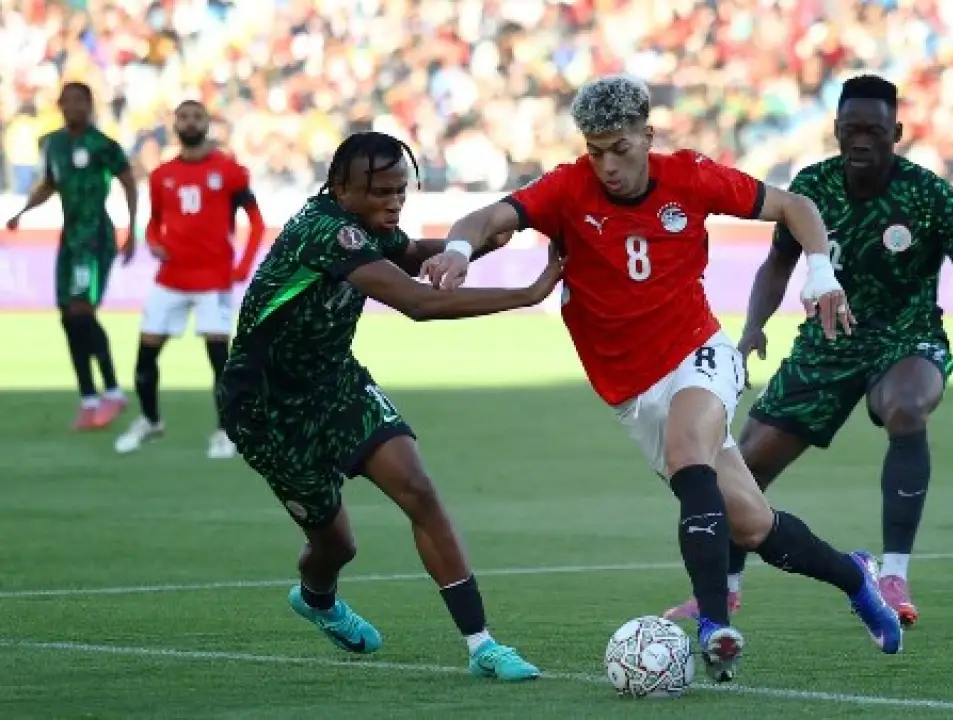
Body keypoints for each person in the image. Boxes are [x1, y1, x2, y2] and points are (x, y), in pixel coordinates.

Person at [428, 75, 904, 684]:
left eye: (619, 149)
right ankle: (854, 576)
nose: (606, 165)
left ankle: (715, 627)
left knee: (687, 455)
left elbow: (795, 207)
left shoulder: (690, 177)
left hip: (700, 353)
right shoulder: (566, 188)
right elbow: (488, 217)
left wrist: (821, 271)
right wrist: (458, 251)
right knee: (753, 526)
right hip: (632, 394)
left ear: (647, 136)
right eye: (594, 151)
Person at [658, 75, 953, 630]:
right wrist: (754, 327)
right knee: (743, 466)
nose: (861, 140)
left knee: (906, 406)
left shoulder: (929, 196)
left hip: (906, 337)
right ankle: (724, 592)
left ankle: (894, 574)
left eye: (874, 130)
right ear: (835, 129)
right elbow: (778, 263)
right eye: (851, 128)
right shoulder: (813, 187)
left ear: (896, 132)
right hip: (826, 344)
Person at [215, 131, 549, 680]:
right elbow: (417, 301)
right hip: (267, 409)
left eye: (400, 191)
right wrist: (528, 295)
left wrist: (482, 243)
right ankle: (317, 598)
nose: (393, 203)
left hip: (335, 383)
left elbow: (412, 258)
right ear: (340, 188)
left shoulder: (367, 225)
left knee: (418, 488)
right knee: (336, 545)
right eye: (380, 192)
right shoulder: (327, 232)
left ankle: (482, 645)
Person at [115, 100, 266, 458]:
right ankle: (150, 420)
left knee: (218, 358)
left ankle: (225, 430)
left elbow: (257, 223)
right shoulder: (161, 175)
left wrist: (243, 267)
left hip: (213, 280)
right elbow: (154, 222)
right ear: (174, 124)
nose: (190, 122)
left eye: (197, 116)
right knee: (146, 354)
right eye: (183, 117)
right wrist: (153, 241)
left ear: (207, 123)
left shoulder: (230, 171)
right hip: (171, 278)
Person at [5, 82, 138, 430]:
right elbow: (49, 184)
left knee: (82, 311)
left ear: (90, 105)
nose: (73, 107)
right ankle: (89, 399)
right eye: (67, 101)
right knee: (67, 316)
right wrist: (23, 212)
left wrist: (132, 229)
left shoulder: (103, 145)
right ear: (60, 105)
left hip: (95, 238)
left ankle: (113, 391)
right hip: (69, 239)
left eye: (80, 100)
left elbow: (128, 181)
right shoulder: (53, 144)